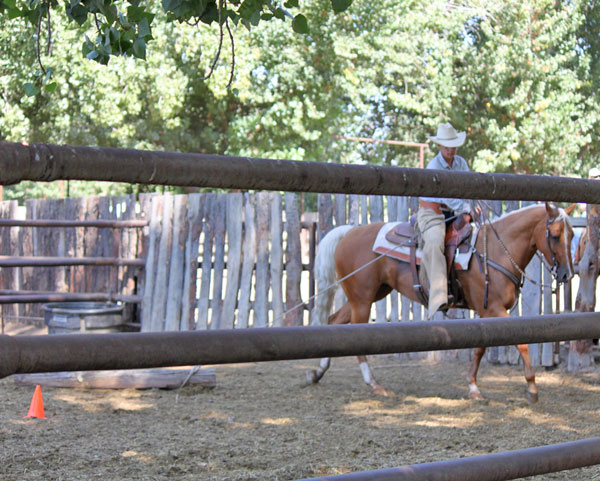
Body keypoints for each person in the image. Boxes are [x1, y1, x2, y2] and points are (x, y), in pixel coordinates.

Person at [417, 122, 473, 318]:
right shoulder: (433, 166)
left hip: (455, 213)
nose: (450, 149)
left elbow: (468, 185)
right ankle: (438, 295)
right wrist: (465, 208)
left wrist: (473, 205)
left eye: (453, 145)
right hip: (433, 213)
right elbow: (445, 195)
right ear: (440, 147)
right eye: (446, 146)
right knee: (434, 243)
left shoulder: (461, 163)